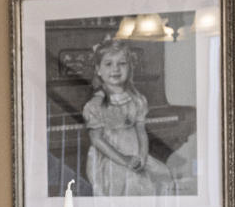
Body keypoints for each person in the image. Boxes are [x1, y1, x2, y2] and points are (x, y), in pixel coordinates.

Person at [76, 40, 194, 198]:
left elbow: (141, 131)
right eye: (108, 64)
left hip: (136, 155)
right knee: (124, 187)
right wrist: (125, 160)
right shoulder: (95, 105)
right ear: (98, 70)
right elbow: (97, 140)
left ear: (129, 68)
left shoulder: (137, 100)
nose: (115, 69)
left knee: (160, 176)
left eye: (122, 63)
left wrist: (143, 157)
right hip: (111, 160)